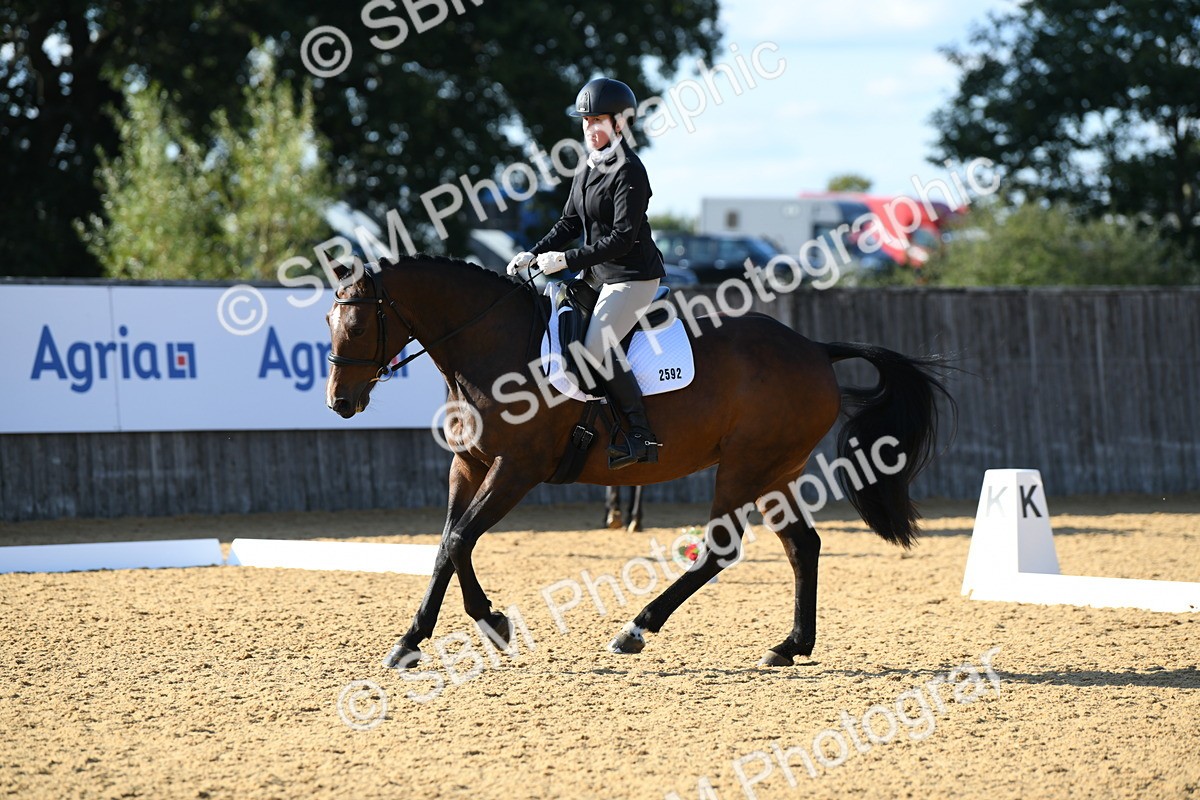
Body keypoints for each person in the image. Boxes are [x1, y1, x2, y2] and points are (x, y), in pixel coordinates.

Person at [507, 77, 666, 469]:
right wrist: (535, 253)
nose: (590, 128)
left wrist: (566, 262)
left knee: (594, 348)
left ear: (619, 124)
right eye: (586, 120)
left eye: (598, 120)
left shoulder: (629, 170)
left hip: (632, 277)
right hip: (596, 277)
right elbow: (568, 223)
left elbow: (623, 238)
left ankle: (641, 435)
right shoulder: (587, 168)